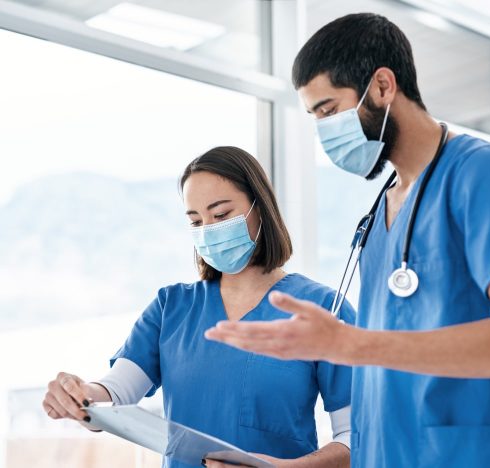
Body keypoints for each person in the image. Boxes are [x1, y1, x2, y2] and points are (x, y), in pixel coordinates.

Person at [205, 13, 490, 468]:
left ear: (382, 86)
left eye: (328, 110)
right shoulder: (378, 216)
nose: (324, 131)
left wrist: (347, 343)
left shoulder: (483, 174)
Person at [42, 146, 355, 468]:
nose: (209, 230)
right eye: (196, 221)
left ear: (260, 209)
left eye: (220, 215)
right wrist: (78, 396)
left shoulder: (322, 308)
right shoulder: (171, 308)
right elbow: (116, 392)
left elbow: (357, 436)